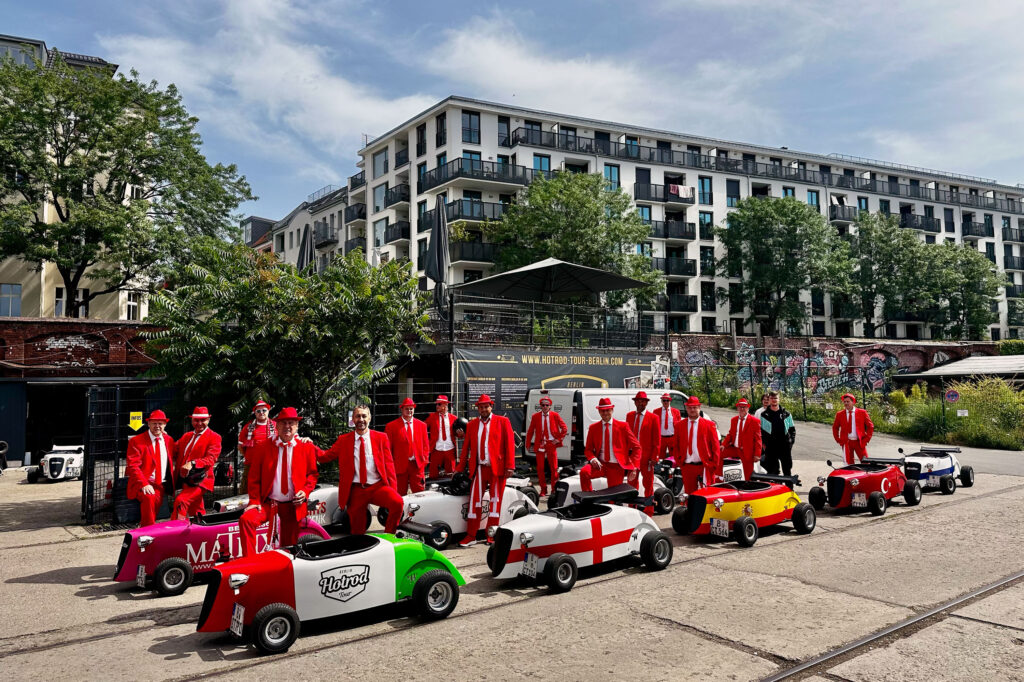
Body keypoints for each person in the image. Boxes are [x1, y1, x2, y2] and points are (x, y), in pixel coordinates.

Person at [239, 407, 318, 556]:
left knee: (289, 548)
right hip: (269, 504)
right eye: (283, 423)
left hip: (292, 506)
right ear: (277, 426)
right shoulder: (263, 446)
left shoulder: (306, 447)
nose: (287, 426)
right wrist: (254, 501)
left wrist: (305, 492)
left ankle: (283, 571)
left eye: (291, 423)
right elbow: (253, 477)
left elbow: (312, 475)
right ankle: (249, 563)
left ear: (297, 426)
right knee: (246, 520)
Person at [317, 404, 403, 535]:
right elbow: (325, 456)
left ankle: (390, 535)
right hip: (356, 490)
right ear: (353, 419)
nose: (361, 419)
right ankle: (361, 548)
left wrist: (393, 489)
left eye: (364, 416)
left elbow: (389, 465)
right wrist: (307, 445)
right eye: (358, 416)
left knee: (397, 502)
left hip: (377, 487)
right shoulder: (344, 440)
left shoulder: (381, 438)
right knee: (357, 531)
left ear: (369, 418)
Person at [457, 395, 515, 546]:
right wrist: (459, 468)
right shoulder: (472, 425)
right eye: (481, 407)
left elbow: (509, 444)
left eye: (486, 406)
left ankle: (492, 535)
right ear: (478, 408)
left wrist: (510, 466)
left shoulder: (503, 422)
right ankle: (471, 535)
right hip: (480, 468)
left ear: (491, 407)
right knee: (474, 502)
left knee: (495, 503)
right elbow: (466, 449)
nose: (483, 409)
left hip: (497, 468)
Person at [125, 409, 177, 527]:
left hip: (160, 484)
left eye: (160, 423)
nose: (157, 426)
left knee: (154, 511)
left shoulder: (168, 440)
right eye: (154, 423)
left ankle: (146, 529)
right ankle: (147, 531)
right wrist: (144, 484)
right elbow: (133, 465)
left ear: (165, 425)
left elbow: (176, 453)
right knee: (149, 499)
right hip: (143, 482)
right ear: (148, 424)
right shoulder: (136, 441)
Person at [580, 397, 641, 493]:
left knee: (613, 496)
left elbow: (637, 447)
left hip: (616, 466)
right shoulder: (593, 428)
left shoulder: (623, 426)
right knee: (584, 472)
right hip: (601, 465)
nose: (605, 413)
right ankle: (589, 498)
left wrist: (634, 466)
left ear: (612, 410)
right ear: (599, 412)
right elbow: (588, 450)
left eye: (607, 410)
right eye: (602, 411)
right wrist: (593, 459)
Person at [172, 406, 222, 520]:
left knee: (181, 502)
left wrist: (193, 463)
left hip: (201, 479)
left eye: (203, 420)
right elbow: (174, 450)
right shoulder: (187, 436)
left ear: (208, 420)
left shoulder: (214, 437)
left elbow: (211, 458)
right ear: (192, 420)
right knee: (196, 509)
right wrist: (163, 438)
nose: (199, 423)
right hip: (186, 479)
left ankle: (175, 529)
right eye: (196, 420)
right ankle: (203, 532)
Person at [673, 396, 721, 494]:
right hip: (687, 467)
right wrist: (679, 461)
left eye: (695, 407)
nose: (692, 410)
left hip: (704, 466)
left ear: (699, 407)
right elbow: (676, 445)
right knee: (689, 495)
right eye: (690, 407)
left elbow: (715, 447)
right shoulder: (679, 425)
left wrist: (714, 465)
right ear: (686, 408)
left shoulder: (709, 425)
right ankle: (690, 510)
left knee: (708, 494)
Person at [626, 391, 661, 516]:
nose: (640, 403)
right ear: (635, 402)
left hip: (647, 457)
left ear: (646, 403)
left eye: (643, 401)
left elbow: (657, 440)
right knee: (631, 483)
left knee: (648, 483)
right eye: (638, 401)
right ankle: (632, 508)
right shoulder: (629, 416)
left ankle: (649, 509)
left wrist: (654, 457)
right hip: (633, 457)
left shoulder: (653, 418)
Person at [385, 398, 430, 494]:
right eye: (407, 409)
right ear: (402, 409)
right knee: (399, 493)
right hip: (399, 465)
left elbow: (426, 445)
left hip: (417, 465)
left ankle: (418, 509)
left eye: (411, 408)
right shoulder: (392, 426)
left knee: (420, 492)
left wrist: (424, 461)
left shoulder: (422, 425)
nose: (409, 411)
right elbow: (387, 448)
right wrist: (391, 464)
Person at [524, 396, 568, 496]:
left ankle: (554, 489)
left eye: (546, 405)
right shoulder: (535, 416)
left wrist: (558, 439)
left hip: (551, 444)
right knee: (540, 468)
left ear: (550, 406)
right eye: (543, 405)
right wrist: (527, 444)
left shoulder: (555, 415)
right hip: (540, 444)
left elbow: (564, 428)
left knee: (554, 467)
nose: (544, 407)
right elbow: (530, 431)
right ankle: (543, 489)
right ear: (540, 406)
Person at [237, 399, 276, 490]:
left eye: (264, 410)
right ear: (254, 413)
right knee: (246, 489)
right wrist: (249, 456)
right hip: (251, 465)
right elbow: (240, 446)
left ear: (268, 411)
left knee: (270, 490)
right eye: (258, 411)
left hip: (270, 464)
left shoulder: (276, 425)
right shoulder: (248, 427)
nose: (261, 413)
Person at [721, 398, 762, 480]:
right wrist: (723, 444)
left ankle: (748, 486)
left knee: (748, 473)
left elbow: (758, 439)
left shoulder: (754, 421)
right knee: (718, 453)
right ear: (737, 408)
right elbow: (730, 434)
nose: (742, 409)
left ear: (748, 408)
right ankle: (720, 476)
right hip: (735, 448)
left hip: (746, 450)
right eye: (740, 407)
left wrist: (757, 454)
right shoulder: (734, 420)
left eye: (744, 407)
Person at [760, 390, 796, 476]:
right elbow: (762, 432)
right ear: (769, 400)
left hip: (784, 447)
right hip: (771, 448)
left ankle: (789, 488)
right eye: (772, 398)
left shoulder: (786, 414)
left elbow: (792, 430)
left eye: (775, 398)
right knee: (773, 472)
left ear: (779, 399)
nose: (774, 400)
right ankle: (776, 488)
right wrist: (764, 445)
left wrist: (790, 442)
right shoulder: (764, 415)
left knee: (787, 471)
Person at [832, 393, 874, 464]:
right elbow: (835, 427)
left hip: (859, 442)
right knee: (849, 464)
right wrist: (838, 440)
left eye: (848, 401)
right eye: (844, 402)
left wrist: (866, 439)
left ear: (853, 402)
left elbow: (870, 426)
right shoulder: (840, 414)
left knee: (866, 462)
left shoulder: (862, 412)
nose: (846, 403)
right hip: (846, 443)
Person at [425, 395, 462, 478]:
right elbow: (422, 428)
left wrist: (460, 435)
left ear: (445, 405)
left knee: (450, 473)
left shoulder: (454, 418)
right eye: (436, 404)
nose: (436, 406)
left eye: (439, 404)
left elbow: (459, 434)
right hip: (436, 449)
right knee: (433, 473)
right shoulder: (432, 417)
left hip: (450, 449)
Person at [653, 393, 681, 463]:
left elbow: (679, 425)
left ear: (670, 401)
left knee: (673, 457)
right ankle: (661, 471)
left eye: (667, 400)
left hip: (672, 438)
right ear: (661, 401)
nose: (665, 402)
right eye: (664, 400)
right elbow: (654, 425)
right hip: (661, 438)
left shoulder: (676, 411)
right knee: (660, 457)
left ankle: (672, 471)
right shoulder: (656, 411)